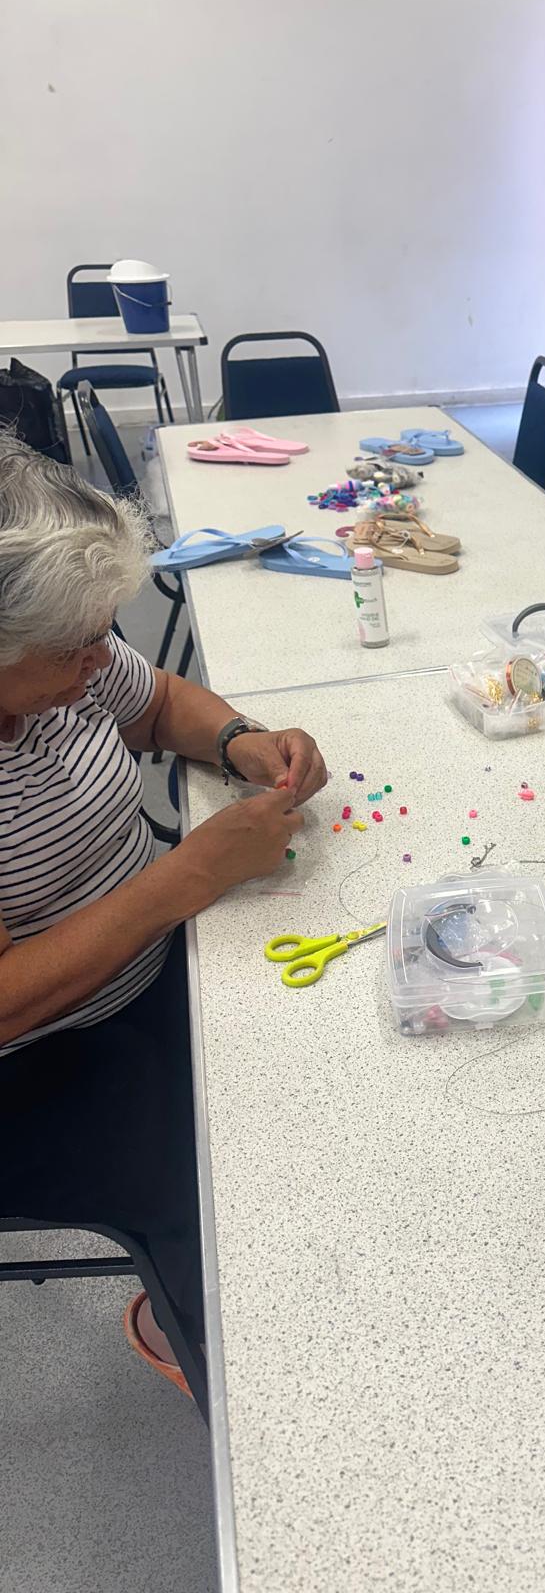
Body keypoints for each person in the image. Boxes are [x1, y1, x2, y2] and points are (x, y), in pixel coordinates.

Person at [0, 435, 329, 1398]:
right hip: (45, 1064)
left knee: (328, 1086)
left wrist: (242, 741)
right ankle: (253, 1393)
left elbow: (158, 707)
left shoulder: (64, 659)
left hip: (159, 965)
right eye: (75, 647)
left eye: (106, 630)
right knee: (226, 1201)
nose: (99, 659)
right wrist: (186, 878)